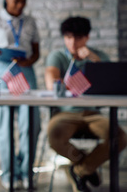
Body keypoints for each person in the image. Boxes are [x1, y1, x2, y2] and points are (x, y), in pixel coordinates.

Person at [45, 16, 127, 192]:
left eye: (78, 37)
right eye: (68, 37)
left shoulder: (97, 57)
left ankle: (79, 171)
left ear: (87, 38)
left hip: (92, 114)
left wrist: (92, 58)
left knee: (119, 137)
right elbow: (51, 83)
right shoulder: (57, 56)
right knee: (54, 135)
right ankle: (86, 167)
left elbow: (112, 80)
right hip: (65, 114)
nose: (72, 43)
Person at [0, 0, 41, 189]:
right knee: (4, 125)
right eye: (16, 0)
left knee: (31, 124)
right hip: (1, 73)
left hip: (25, 72)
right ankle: (9, 173)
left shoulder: (31, 21)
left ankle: (26, 171)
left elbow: (36, 53)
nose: (20, 5)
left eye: (24, 0)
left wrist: (28, 60)